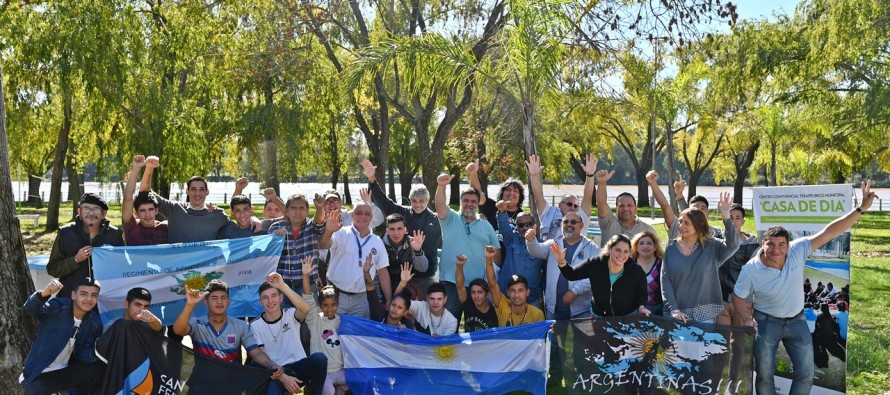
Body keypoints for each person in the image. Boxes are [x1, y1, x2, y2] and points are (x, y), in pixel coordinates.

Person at [733, 180, 878, 395]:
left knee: (806, 374)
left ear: (788, 245)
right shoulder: (750, 270)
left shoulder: (798, 249)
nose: (776, 249)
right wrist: (746, 318)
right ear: (763, 242)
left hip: (797, 321)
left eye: (781, 244)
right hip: (766, 323)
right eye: (770, 244)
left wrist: (860, 209)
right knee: (764, 375)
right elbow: (737, 297)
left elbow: (830, 232)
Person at [524, 211, 598, 388]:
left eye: (574, 222)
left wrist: (575, 291)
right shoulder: (553, 243)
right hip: (554, 308)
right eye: (566, 221)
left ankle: (582, 379)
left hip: (581, 309)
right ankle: (555, 378)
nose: (569, 225)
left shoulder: (592, 248)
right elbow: (536, 251)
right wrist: (531, 240)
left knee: (581, 347)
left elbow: (593, 276)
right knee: (556, 346)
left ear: (582, 225)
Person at [172, 280, 283, 380]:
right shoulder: (197, 323)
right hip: (202, 380)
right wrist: (189, 305)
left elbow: (256, 353)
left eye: (223, 298)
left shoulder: (240, 325)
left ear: (229, 302)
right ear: (206, 303)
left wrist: (272, 365)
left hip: (231, 381)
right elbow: (178, 330)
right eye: (214, 298)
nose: (219, 302)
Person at [362, 159, 442, 291]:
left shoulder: (436, 219)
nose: (417, 204)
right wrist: (371, 178)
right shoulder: (402, 212)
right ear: (410, 200)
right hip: (400, 276)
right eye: (414, 200)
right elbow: (383, 201)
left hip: (426, 276)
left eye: (421, 201)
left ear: (428, 201)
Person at [661, 192, 739, 323]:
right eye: (680, 222)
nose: (681, 226)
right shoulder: (671, 249)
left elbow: (733, 245)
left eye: (687, 223)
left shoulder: (713, 246)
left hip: (705, 315)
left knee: (704, 344)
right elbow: (665, 281)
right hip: (676, 313)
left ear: (698, 225)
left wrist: (726, 217)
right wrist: (673, 309)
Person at [21, 278, 105, 395]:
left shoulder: (94, 321)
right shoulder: (59, 307)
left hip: (65, 372)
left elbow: (83, 355)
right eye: (84, 294)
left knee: (100, 368)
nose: (89, 299)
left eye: (94, 295)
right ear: (73, 295)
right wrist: (43, 294)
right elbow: (30, 309)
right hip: (40, 372)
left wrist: (101, 351)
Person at [435, 173, 500, 320]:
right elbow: (439, 205)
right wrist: (441, 186)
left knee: (476, 327)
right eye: (465, 200)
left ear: (478, 204)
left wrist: (493, 280)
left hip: (477, 286)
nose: (469, 204)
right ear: (460, 202)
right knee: (449, 327)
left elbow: (497, 251)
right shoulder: (450, 218)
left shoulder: (486, 224)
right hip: (451, 283)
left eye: (473, 201)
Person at [250, 272, 328, 395]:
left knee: (319, 359)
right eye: (265, 297)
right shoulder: (255, 325)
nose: (270, 301)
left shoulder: (290, 314)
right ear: (260, 302)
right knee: (272, 390)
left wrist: (282, 285)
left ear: (281, 298)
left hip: (298, 368)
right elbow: (261, 357)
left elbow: (305, 309)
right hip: (275, 372)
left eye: (274, 295)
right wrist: (282, 377)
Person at [138, 157, 240, 243]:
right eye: (193, 189)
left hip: (207, 267)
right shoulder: (174, 209)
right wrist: (149, 168)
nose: (197, 194)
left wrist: (254, 220)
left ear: (207, 192)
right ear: (187, 191)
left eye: (201, 189)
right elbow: (145, 191)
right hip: (178, 266)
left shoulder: (218, 214)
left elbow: (240, 227)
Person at [318, 204, 392, 318]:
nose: (363, 216)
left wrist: (389, 298)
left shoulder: (377, 241)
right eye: (358, 212)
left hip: (362, 299)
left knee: (357, 334)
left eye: (367, 214)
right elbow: (323, 244)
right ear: (352, 215)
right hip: (336, 297)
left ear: (372, 217)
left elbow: (382, 271)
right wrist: (328, 231)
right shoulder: (341, 232)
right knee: (331, 333)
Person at [47, 193, 124, 296]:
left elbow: (123, 267)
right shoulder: (65, 233)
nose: (91, 213)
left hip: (104, 298)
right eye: (86, 208)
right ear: (79, 212)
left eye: (96, 209)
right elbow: (53, 269)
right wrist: (75, 260)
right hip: (70, 299)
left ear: (104, 213)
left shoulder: (115, 235)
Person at [555, 234, 651, 317]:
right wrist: (561, 262)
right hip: (599, 318)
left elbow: (642, 294)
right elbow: (571, 274)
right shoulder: (595, 264)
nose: (622, 255)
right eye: (617, 250)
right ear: (609, 248)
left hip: (627, 318)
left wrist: (641, 307)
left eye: (626, 251)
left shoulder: (636, 271)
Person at [266, 190, 326, 293]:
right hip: (281, 286)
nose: (297, 212)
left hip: (308, 286)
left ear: (307, 210)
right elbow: (267, 253)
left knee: (309, 310)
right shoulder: (275, 227)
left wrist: (319, 207)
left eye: (301, 208)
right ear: (286, 210)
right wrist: (274, 238)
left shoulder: (311, 226)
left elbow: (320, 221)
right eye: (293, 208)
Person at [526, 154, 597, 240]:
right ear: (559, 204)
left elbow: (587, 198)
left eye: (575, 206)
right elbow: (538, 198)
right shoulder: (549, 213)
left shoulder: (581, 217)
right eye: (569, 204)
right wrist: (534, 176)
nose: (573, 207)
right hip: (550, 252)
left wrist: (590, 175)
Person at [301, 263, 348, 395]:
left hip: (341, 370)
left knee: (358, 380)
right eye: (325, 305)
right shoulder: (315, 321)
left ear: (338, 304)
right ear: (320, 306)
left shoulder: (342, 322)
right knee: (328, 391)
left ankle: (341, 389)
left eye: (333, 305)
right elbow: (308, 298)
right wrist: (305, 275)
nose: (330, 309)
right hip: (324, 372)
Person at [716, 203, 759, 326]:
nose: (733, 221)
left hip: (743, 301)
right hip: (721, 301)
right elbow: (697, 218)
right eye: (730, 217)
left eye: (737, 218)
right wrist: (680, 198)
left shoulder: (753, 245)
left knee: (740, 342)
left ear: (743, 221)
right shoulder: (716, 241)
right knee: (721, 341)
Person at [647, 171, 724, 240]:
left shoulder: (716, 232)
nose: (698, 211)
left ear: (708, 214)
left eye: (703, 208)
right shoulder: (677, 227)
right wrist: (653, 183)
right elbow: (665, 206)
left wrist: (725, 214)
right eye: (694, 208)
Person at [495, 204, 544, 306]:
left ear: (534, 225)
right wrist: (502, 212)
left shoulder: (542, 245)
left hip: (531, 298)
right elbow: (503, 225)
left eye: (528, 224)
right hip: (506, 296)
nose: (525, 228)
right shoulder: (511, 239)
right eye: (521, 225)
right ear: (517, 227)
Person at [484, 246, 545, 327]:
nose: (516, 295)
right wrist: (488, 259)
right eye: (513, 291)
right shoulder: (503, 307)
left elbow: (539, 338)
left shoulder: (537, 314)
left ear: (527, 292)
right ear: (508, 292)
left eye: (520, 290)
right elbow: (492, 284)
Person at [594, 169, 656, 247]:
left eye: (629, 205)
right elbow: (601, 203)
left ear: (635, 209)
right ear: (616, 208)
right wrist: (602, 183)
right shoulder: (608, 222)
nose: (625, 208)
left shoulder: (648, 230)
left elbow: (657, 255)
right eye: (621, 206)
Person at [395, 267, 459, 336]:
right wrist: (403, 283)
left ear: (445, 300)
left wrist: (438, 341)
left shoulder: (452, 321)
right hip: (414, 345)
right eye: (432, 298)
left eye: (439, 299)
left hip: (436, 347)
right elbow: (396, 302)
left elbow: (444, 345)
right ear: (427, 299)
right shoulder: (420, 306)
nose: (435, 302)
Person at [379, 214, 429, 300]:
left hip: (407, 287)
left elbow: (423, 268)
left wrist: (418, 251)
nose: (396, 233)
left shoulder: (412, 243)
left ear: (405, 230)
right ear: (387, 230)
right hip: (383, 287)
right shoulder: (378, 244)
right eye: (392, 229)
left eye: (399, 229)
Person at [122, 155, 168, 245]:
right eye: (142, 210)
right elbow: (128, 198)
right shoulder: (131, 227)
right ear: (136, 213)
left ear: (156, 210)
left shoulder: (165, 227)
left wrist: (149, 167)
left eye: (150, 209)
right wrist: (135, 169)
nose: (147, 214)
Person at [365, 261, 415, 330]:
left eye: (400, 307)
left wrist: (404, 333)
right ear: (389, 305)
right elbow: (371, 294)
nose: (395, 309)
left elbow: (411, 339)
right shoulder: (379, 313)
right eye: (393, 305)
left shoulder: (407, 325)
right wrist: (366, 273)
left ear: (405, 312)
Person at [455, 255, 498, 332]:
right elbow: (460, 286)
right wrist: (459, 266)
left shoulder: (494, 313)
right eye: (473, 292)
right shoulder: (468, 303)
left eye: (480, 292)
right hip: (470, 343)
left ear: (487, 293)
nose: (476, 296)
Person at [631, 231, 664, 316]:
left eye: (649, 243)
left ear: (655, 247)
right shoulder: (629, 265)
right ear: (636, 247)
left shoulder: (662, 265)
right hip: (633, 311)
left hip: (657, 312)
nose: (645, 246)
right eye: (641, 243)